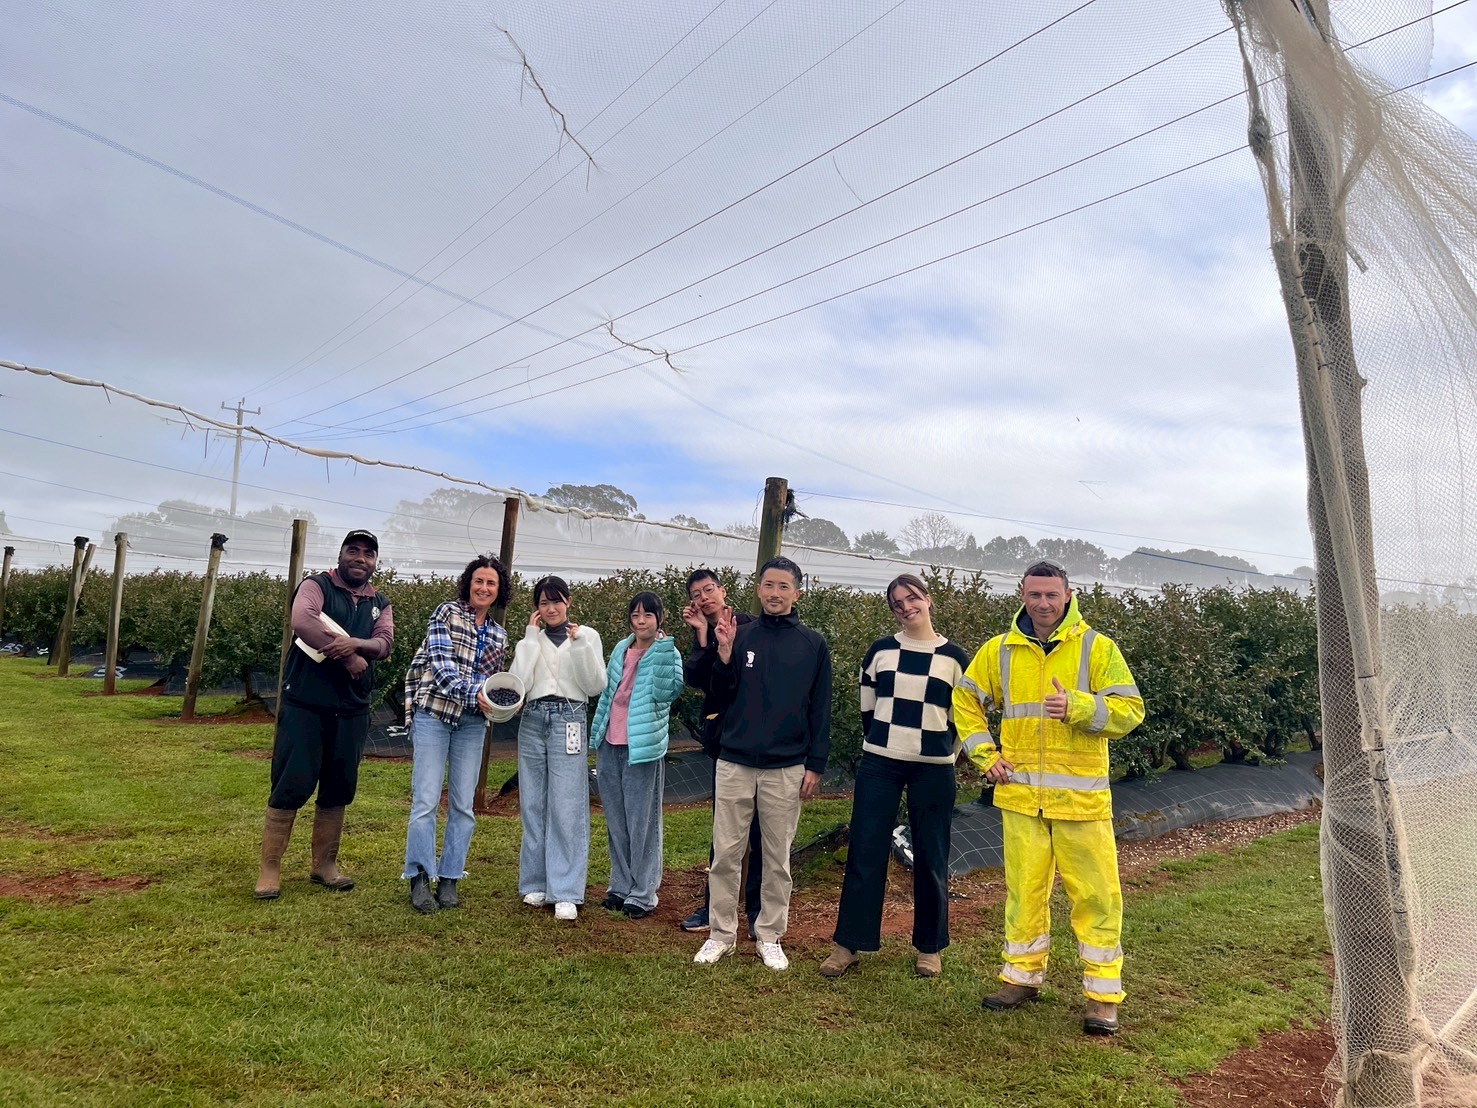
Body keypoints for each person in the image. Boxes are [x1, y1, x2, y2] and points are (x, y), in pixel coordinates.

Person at [953, 561, 1144, 1035]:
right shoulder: (1000, 651)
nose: (1042, 603)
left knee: (1096, 897)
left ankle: (1102, 997)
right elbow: (965, 699)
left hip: (1080, 804)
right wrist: (984, 755)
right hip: (1021, 799)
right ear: (1022, 594)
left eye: (1050, 595)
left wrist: (1079, 707)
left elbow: (1131, 711)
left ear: (1067, 594)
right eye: (1033, 594)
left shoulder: (1098, 648)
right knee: (1024, 894)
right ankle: (1021, 978)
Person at [820, 574, 971, 980]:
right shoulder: (881, 652)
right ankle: (848, 944)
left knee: (931, 853)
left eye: (912, 598)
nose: (906, 607)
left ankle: (929, 948)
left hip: (934, 769)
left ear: (929, 600)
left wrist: (945, 753)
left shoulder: (956, 659)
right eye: (897, 603)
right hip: (880, 764)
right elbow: (867, 709)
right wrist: (887, 744)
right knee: (865, 850)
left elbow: (965, 717)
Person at [694, 556, 832, 971]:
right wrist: (722, 651)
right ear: (757, 589)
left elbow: (820, 708)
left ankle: (769, 935)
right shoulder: (741, 633)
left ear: (797, 593)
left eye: (783, 587)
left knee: (776, 858)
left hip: (786, 766)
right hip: (735, 761)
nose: (775, 593)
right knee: (725, 855)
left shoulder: (812, 644)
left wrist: (815, 764)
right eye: (768, 585)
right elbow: (719, 695)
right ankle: (721, 935)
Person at [254, 529, 394, 900]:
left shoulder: (379, 601)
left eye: (368, 553)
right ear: (341, 554)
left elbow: (385, 642)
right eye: (354, 550)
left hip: (351, 708)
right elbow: (303, 620)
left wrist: (359, 644)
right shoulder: (316, 586)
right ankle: (270, 869)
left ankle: (324, 866)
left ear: (375, 561)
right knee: (291, 782)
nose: (360, 558)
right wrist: (348, 656)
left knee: (339, 786)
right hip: (306, 703)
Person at [400, 554, 510, 914]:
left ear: (498, 590)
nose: (483, 587)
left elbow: (494, 683)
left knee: (463, 804)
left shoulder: (498, 635)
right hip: (434, 714)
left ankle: (449, 878)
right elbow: (442, 667)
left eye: (491, 583)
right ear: (469, 583)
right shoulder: (446, 613)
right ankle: (419, 877)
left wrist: (499, 701)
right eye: (479, 580)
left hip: (471, 724)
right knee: (426, 800)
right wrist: (476, 695)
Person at [509, 575, 606, 921]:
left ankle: (565, 889)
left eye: (556, 601)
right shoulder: (531, 638)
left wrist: (578, 644)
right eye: (544, 602)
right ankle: (535, 881)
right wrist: (530, 640)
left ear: (568, 602)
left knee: (568, 801)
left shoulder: (586, 636)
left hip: (570, 718)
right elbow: (518, 684)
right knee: (533, 800)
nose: (551, 608)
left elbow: (594, 685)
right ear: (537, 607)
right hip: (533, 718)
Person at [678, 568, 762, 936]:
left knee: (761, 831)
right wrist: (701, 635)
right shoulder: (704, 633)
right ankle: (716, 906)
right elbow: (697, 679)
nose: (704, 597)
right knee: (724, 829)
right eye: (696, 593)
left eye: (709, 589)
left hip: (757, 736)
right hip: (724, 739)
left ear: (723, 590)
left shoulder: (748, 625)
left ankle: (758, 910)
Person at [589, 591, 683, 919]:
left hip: (641, 747)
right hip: (610, 742)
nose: (641, 621)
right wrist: (597, 732)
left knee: (642, 821)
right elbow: (607, 692)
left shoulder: (667, 652)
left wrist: (660, 651)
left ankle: (643, 893)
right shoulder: (620, 648)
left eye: (648, 615)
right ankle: (619, 886)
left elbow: (667, 694)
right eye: (636, 615)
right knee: (616, 818)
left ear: (659, 618)